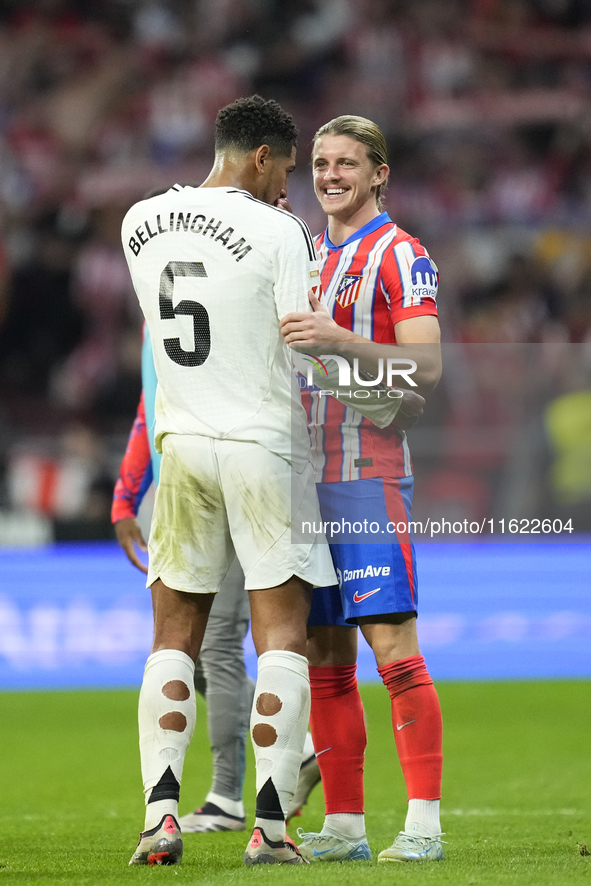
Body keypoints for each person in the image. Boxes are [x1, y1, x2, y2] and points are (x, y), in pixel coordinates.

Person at [121, 94, 337, 867]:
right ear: (259, 157)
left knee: (170, 640)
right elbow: (306, 343)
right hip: (261, 447)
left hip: (180, 443)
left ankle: (159, 819)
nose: (288, 187)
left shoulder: (137, 222)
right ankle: (271, 830)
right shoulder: (281, 231)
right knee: (282, 636)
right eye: (284, 169)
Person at [280, 115, 444, 864]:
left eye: (347, 162)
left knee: (393, 650)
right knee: (325, 658)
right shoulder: (307, 254)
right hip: (299, 482)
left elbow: (425, 371)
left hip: (365, 476)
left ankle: (423, 826)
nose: (330, 175)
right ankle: (345, 827)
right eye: (319, 162)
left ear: (379, 173)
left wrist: (339, 339)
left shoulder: (401, 254)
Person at [111, 331, 321, 833]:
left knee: (215, 647)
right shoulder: (158, 303)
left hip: (235, 470)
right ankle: (304, 748)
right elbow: (152, 398)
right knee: (194, 657)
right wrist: (128, 492)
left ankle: (227, 795)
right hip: (183, 480)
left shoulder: (189, 283)